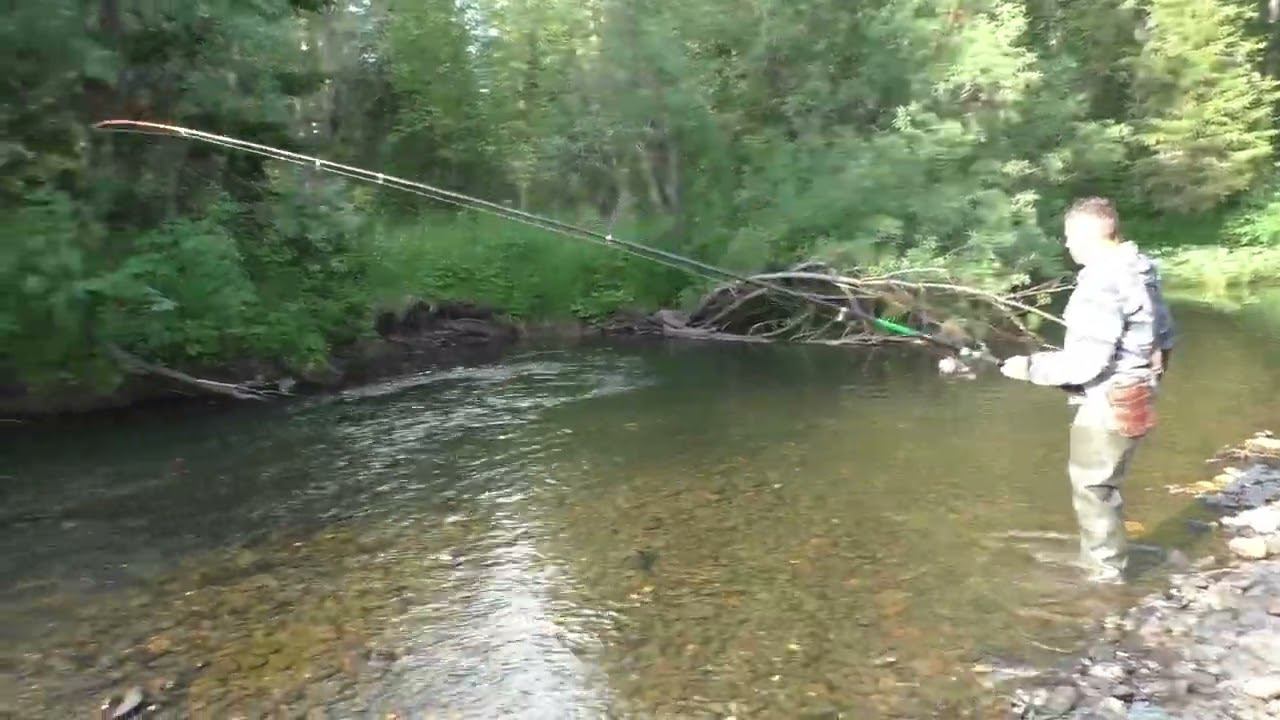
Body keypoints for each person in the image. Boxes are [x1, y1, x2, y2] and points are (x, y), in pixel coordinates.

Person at [999, 197, 1175, 584]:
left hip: (1111, 400)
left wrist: (1028, 367)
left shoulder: (1102, 281)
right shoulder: (1139, 268)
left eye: (1068, 236)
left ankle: (1104, 581)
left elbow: (1085, 364)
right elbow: (1163, 339)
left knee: (1094, 488)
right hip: (1136, 393)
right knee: (1103, 487)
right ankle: (1103, 564)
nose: (1066, 244)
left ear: (1086, 233)